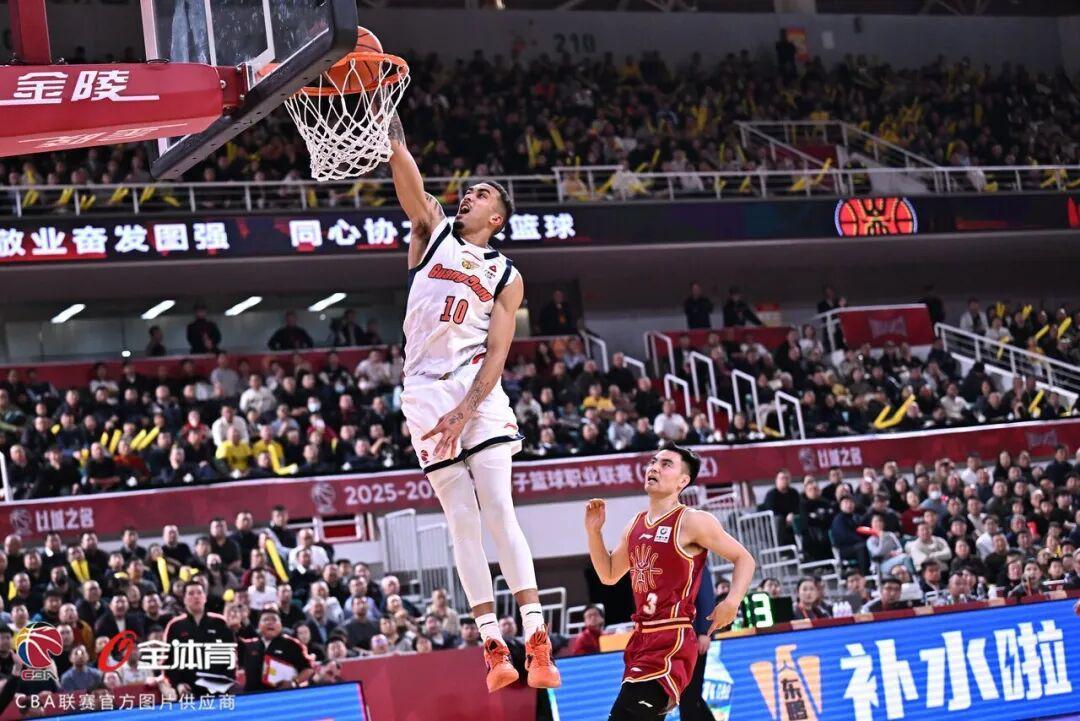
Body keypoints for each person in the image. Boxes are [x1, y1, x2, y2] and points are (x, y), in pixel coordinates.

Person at [388, 113, 559, 693]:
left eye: (482, 194)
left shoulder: (506, 274)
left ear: (497, 218)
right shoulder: (432, 232)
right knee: (461, 521)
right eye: (469, 190)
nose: (469, 195)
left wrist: (467, 407)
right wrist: (391, 131)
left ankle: (536, 636)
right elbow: (408, 177)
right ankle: (493, 644)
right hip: (423, 391)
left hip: (475, 389)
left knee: (498, 509)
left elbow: (498, 353)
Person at [584, 443, 755, 719]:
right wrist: (594, 533)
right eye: (653, 462)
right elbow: (609, 574)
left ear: (682, 481)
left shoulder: (693, 521)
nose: (654, 467)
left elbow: (744, 558)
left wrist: (732, 602)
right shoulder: (635, 524)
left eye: (666, 464)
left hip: (672, 639)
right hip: (641, 640)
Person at [163, 581, 236, 697]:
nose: (196, 596)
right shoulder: (175, 626)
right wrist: (177, 684)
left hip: (218, 690)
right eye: (191, 593)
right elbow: (168, 660)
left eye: (199, 593)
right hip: (188, 691)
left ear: (205, 597)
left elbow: (231, 657)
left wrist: (224, 683)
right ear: (184, 599)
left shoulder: (220, 623)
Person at [239, 609, 315, 692]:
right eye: (265, 620)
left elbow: (309, 670)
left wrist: (294, 683)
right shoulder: (250, 645)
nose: (270, 622)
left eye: (274, 620)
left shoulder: (292, 644)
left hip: (280, 695)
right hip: (251, 695)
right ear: (259, 625)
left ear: (281, 625)